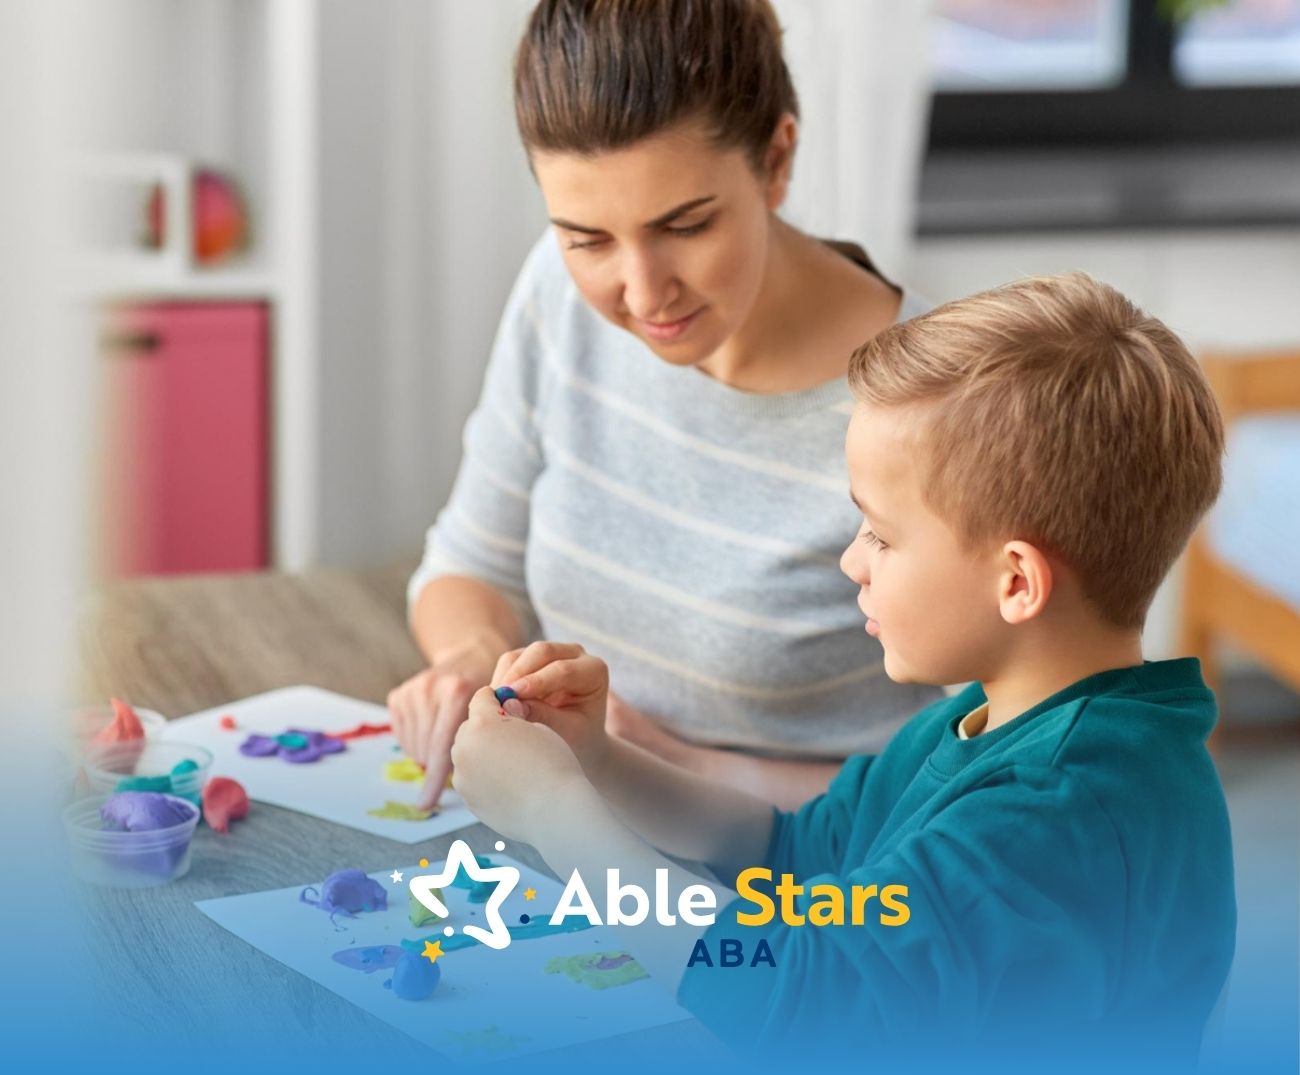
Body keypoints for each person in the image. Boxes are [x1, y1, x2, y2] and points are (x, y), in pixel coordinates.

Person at [449, 273, 1237, 1067]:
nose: (852, 560)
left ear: (1016, 582)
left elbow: (788, 999)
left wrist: (554, 813)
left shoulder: (1057, 812)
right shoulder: (995, 715)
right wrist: (600, 761)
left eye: (883, 535)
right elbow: (792, 852)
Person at [390, 0, 939, 812]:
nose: (642, 293)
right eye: (588, 238)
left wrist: (669, 768)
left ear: (777, 159)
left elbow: (998, 777)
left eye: (685, 225)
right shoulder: (557, 292)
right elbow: (471, 562)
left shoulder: (934, 400)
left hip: (818, 894)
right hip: (586, 842)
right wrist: (470, 656)